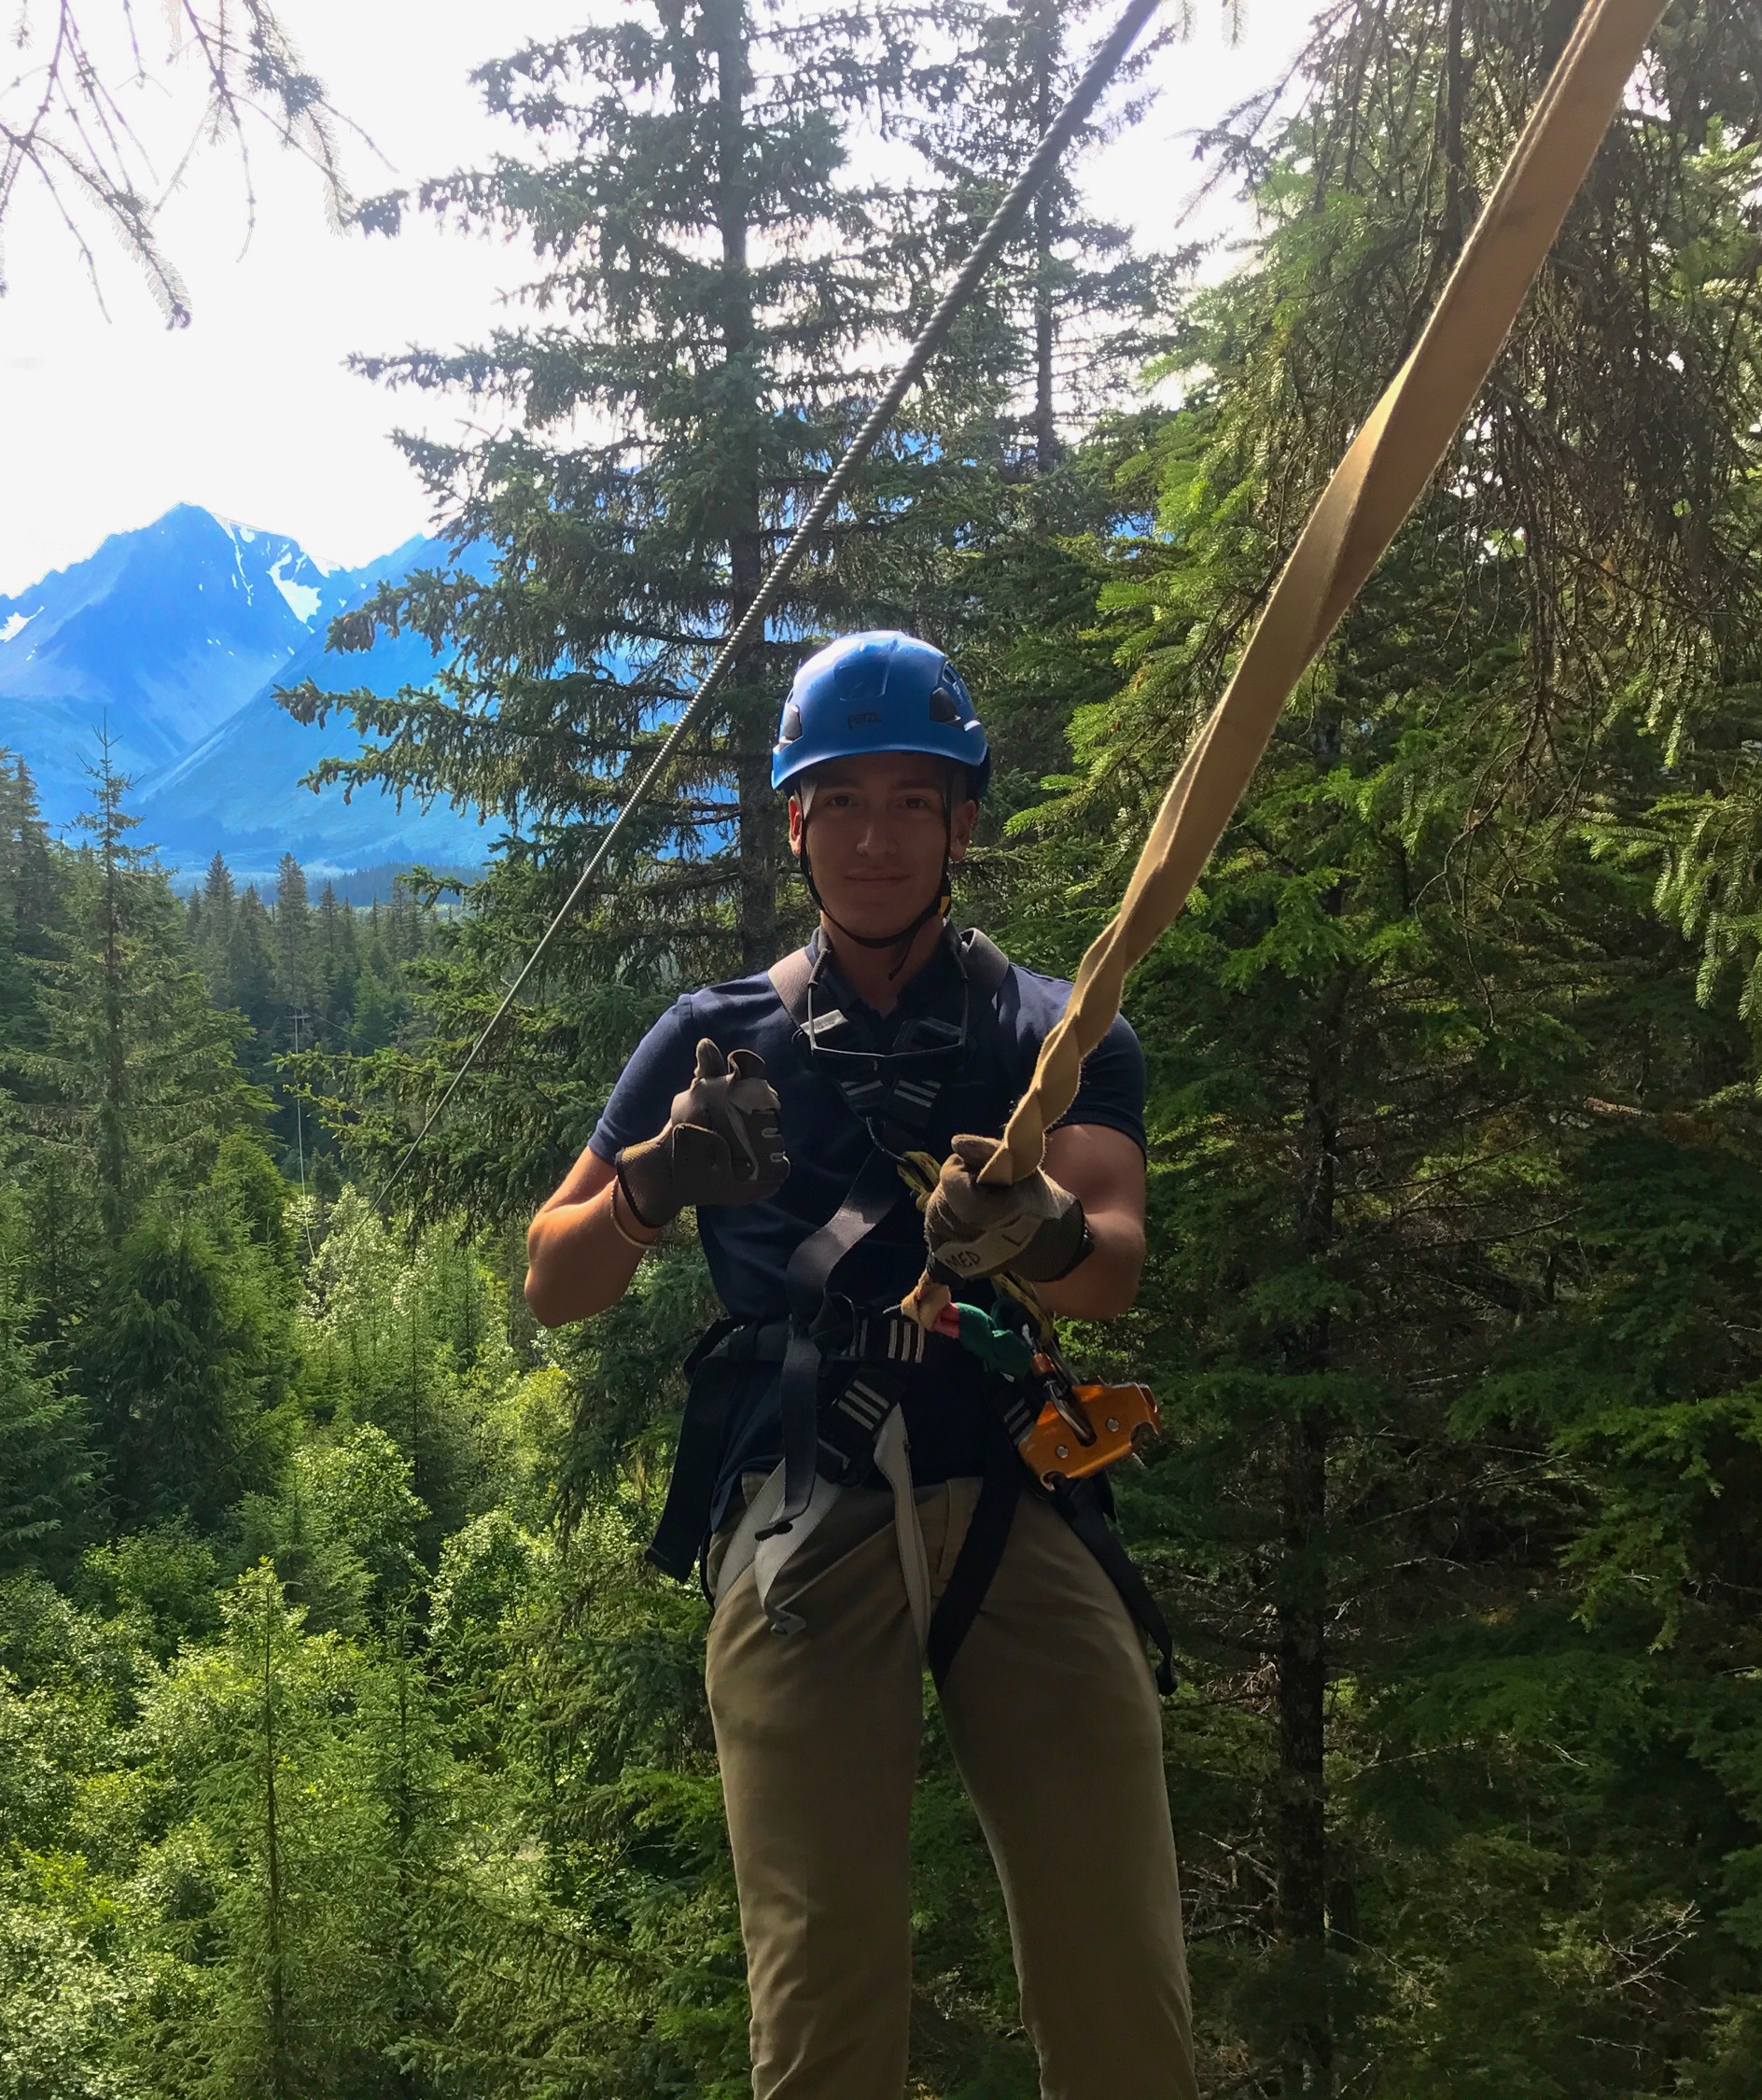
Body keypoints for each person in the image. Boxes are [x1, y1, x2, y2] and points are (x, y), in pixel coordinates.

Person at [522, 632, 1195, 2100]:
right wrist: (652, 1178)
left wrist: (1040, 1224)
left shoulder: (1054, 1036)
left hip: (1017, 1489)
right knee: (822, 2001)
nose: (877, 835)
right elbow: (552, 1275)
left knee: (1119, 1971)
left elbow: (1117, 1261)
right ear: (795, 823)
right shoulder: (715, 1039)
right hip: (808, 1506)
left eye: (912, 800)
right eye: (844, 802)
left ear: (962, 821)